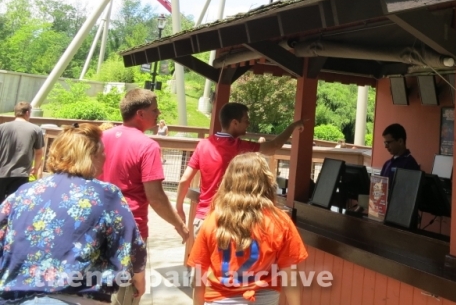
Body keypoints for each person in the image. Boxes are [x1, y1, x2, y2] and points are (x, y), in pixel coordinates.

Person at [0, 123, 146, 304]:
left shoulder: (25, 191)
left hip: (13, 297)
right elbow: (130, 245)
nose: (105, 156)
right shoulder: (105, 194)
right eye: (102, 152)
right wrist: (139, 277)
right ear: (91, 156)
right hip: (74, 296)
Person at [98, 88, 189, 305]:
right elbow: (156, 197)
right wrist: (179, 224)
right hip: (130, 227)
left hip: (96, 223)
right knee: (125, 294)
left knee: (97, 289)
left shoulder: (101, 138)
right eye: (154, 110)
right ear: (140, 114)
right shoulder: (148, 146)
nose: (158, 114)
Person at [189, 153, 307, 305]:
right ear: (266, 182)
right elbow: (290, 276)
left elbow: (199, 276)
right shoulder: (280, 221)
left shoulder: (213, 221)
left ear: (229, 181)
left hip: (220, 299)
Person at [176, 103, 305, 229]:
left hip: (203, 219)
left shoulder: (203, 144)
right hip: (227, 221)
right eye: (246, 120)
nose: (248, 123)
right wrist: (293, 126)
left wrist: (179, 208)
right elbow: (274, 146)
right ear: (235, 123)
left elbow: (184, 180)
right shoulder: (239, 147)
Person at [0, 101, 44, 201]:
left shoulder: (2, 127)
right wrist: (36, 168)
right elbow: (39, 152)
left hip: (1, 172)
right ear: (27, 113)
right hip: (21, 174)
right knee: (15, 204)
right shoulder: (36, 129)